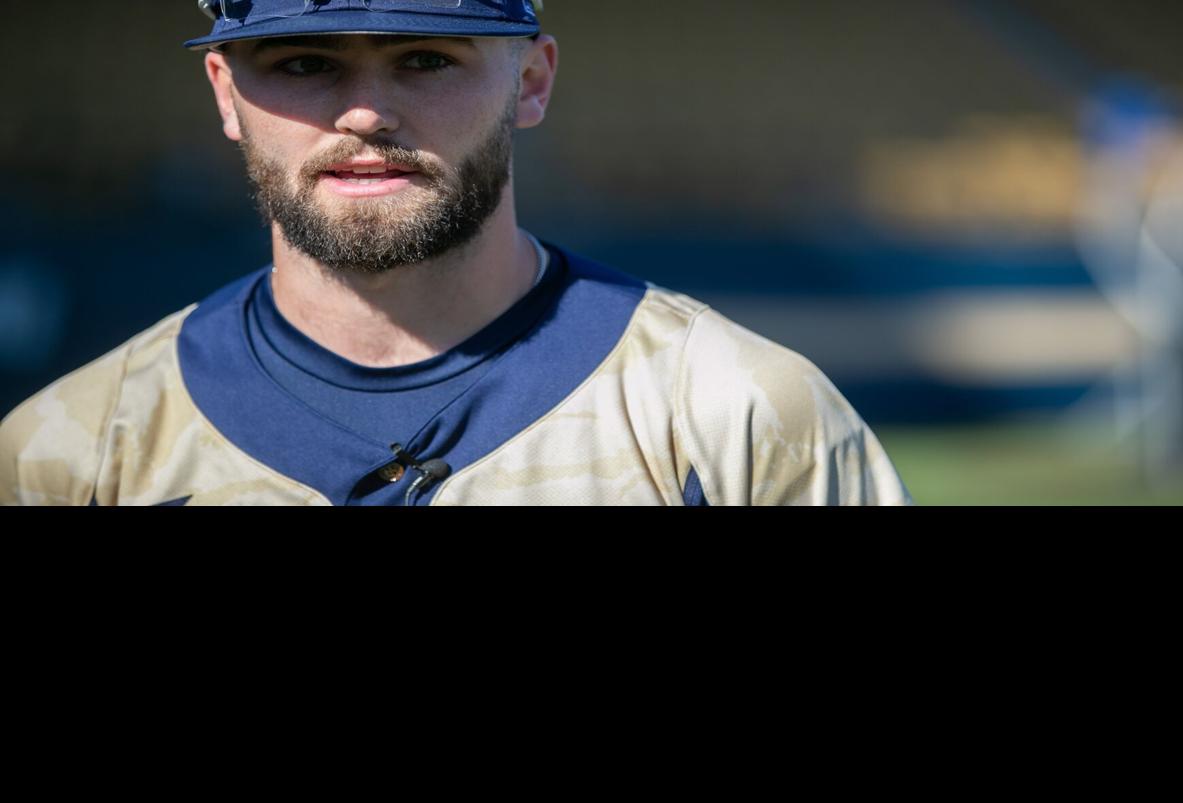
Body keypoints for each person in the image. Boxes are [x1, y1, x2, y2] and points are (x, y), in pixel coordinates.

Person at [0, 0, 913, 506]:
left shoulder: (733, 414)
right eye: (303, 64)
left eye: (425, 59)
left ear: (531, 80)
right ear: (225, 92)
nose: (365, 113)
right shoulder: (71, 450)